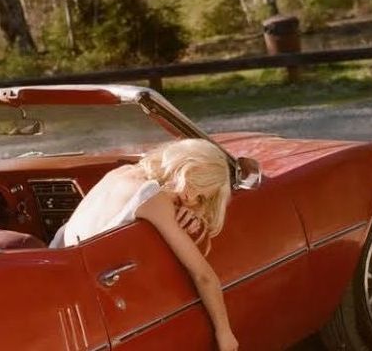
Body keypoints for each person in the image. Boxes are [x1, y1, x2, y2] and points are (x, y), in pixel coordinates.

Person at [50, 138, 238, 351]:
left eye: (202, 198)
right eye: (197, 186)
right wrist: (225, 332)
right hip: (86, 299)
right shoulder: (153, 198)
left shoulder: (121, 173)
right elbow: (203, 276)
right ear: (185, 168)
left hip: (56, 271)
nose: (191, 197)